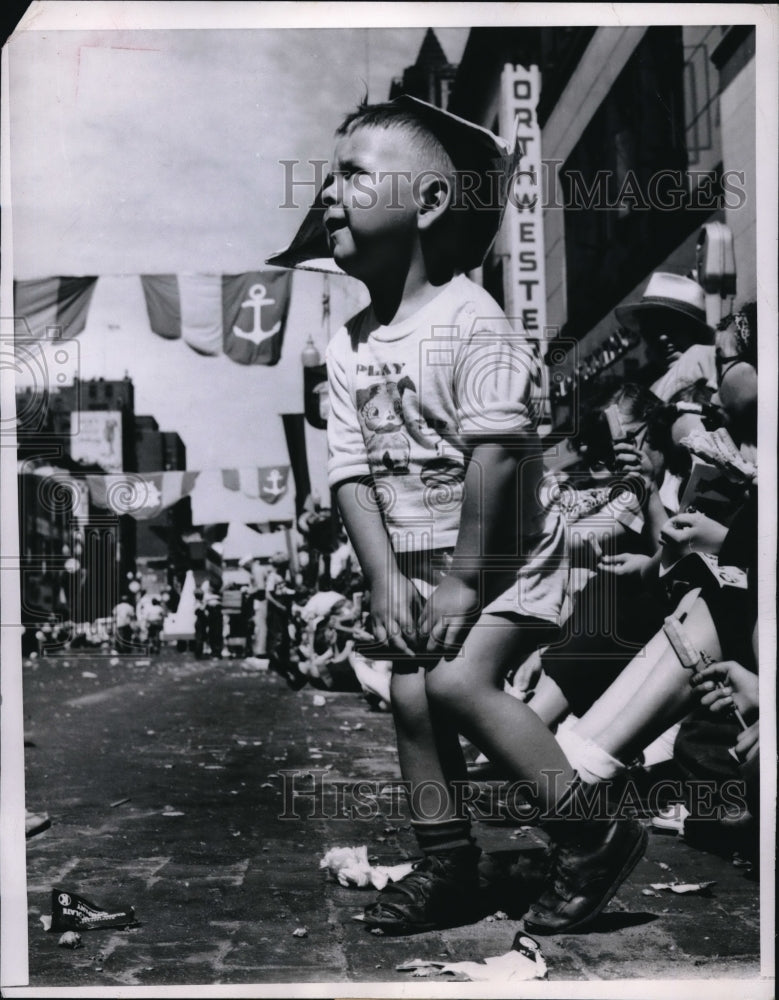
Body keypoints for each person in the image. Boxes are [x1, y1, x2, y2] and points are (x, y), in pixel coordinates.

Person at [271, 95, 647, 936]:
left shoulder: (469, 319)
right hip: (416, 566)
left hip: (506, 559)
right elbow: (352, 472)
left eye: (353, 176)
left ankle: (592, 835)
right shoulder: (348, 345)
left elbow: (499, 457)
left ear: (429, 204)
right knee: (410, 694)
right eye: (329, 178)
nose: (328, 193)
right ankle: (447, 864)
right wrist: (382, 579)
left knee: (455, 680)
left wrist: (463, 584)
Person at [614, 271, 716, 401]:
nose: (662, 338)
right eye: (652, 331)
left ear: (695, 330)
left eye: (672, 326)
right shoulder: (652, 391)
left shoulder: (707, 357)